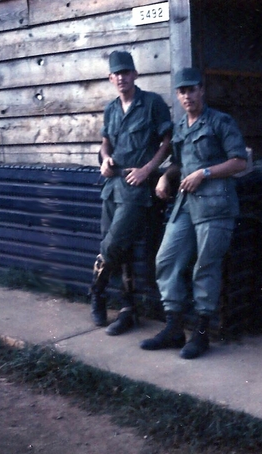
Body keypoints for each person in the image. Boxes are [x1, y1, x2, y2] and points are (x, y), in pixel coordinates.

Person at [140, 67, 248, 359]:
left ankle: (201, 334)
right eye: (182, 91)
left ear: (202, 90)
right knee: (166, 259)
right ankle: (174, 328)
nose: (187, 95)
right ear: (178, 96)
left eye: (192, 89)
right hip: (185, 204)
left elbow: (240, 162)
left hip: (215, 206)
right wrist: (165, 176)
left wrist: (205, 172)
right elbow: (179, 162)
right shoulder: (180, 128)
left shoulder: (220, 122)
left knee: (205, 267)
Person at [89, 50, 173, 336]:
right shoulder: (111, 109)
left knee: (111, 247)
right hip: (111, 187)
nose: (122, 77)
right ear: (111, 78)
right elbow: (104, 143)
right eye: (117, 74)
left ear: (135, 74)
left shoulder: (152, 104)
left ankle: (96, 294)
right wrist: (105, 159)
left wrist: (148, 170)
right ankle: (127, 309)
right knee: (118, 251)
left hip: (137, 189)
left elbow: (168, 142)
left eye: (127, 72)